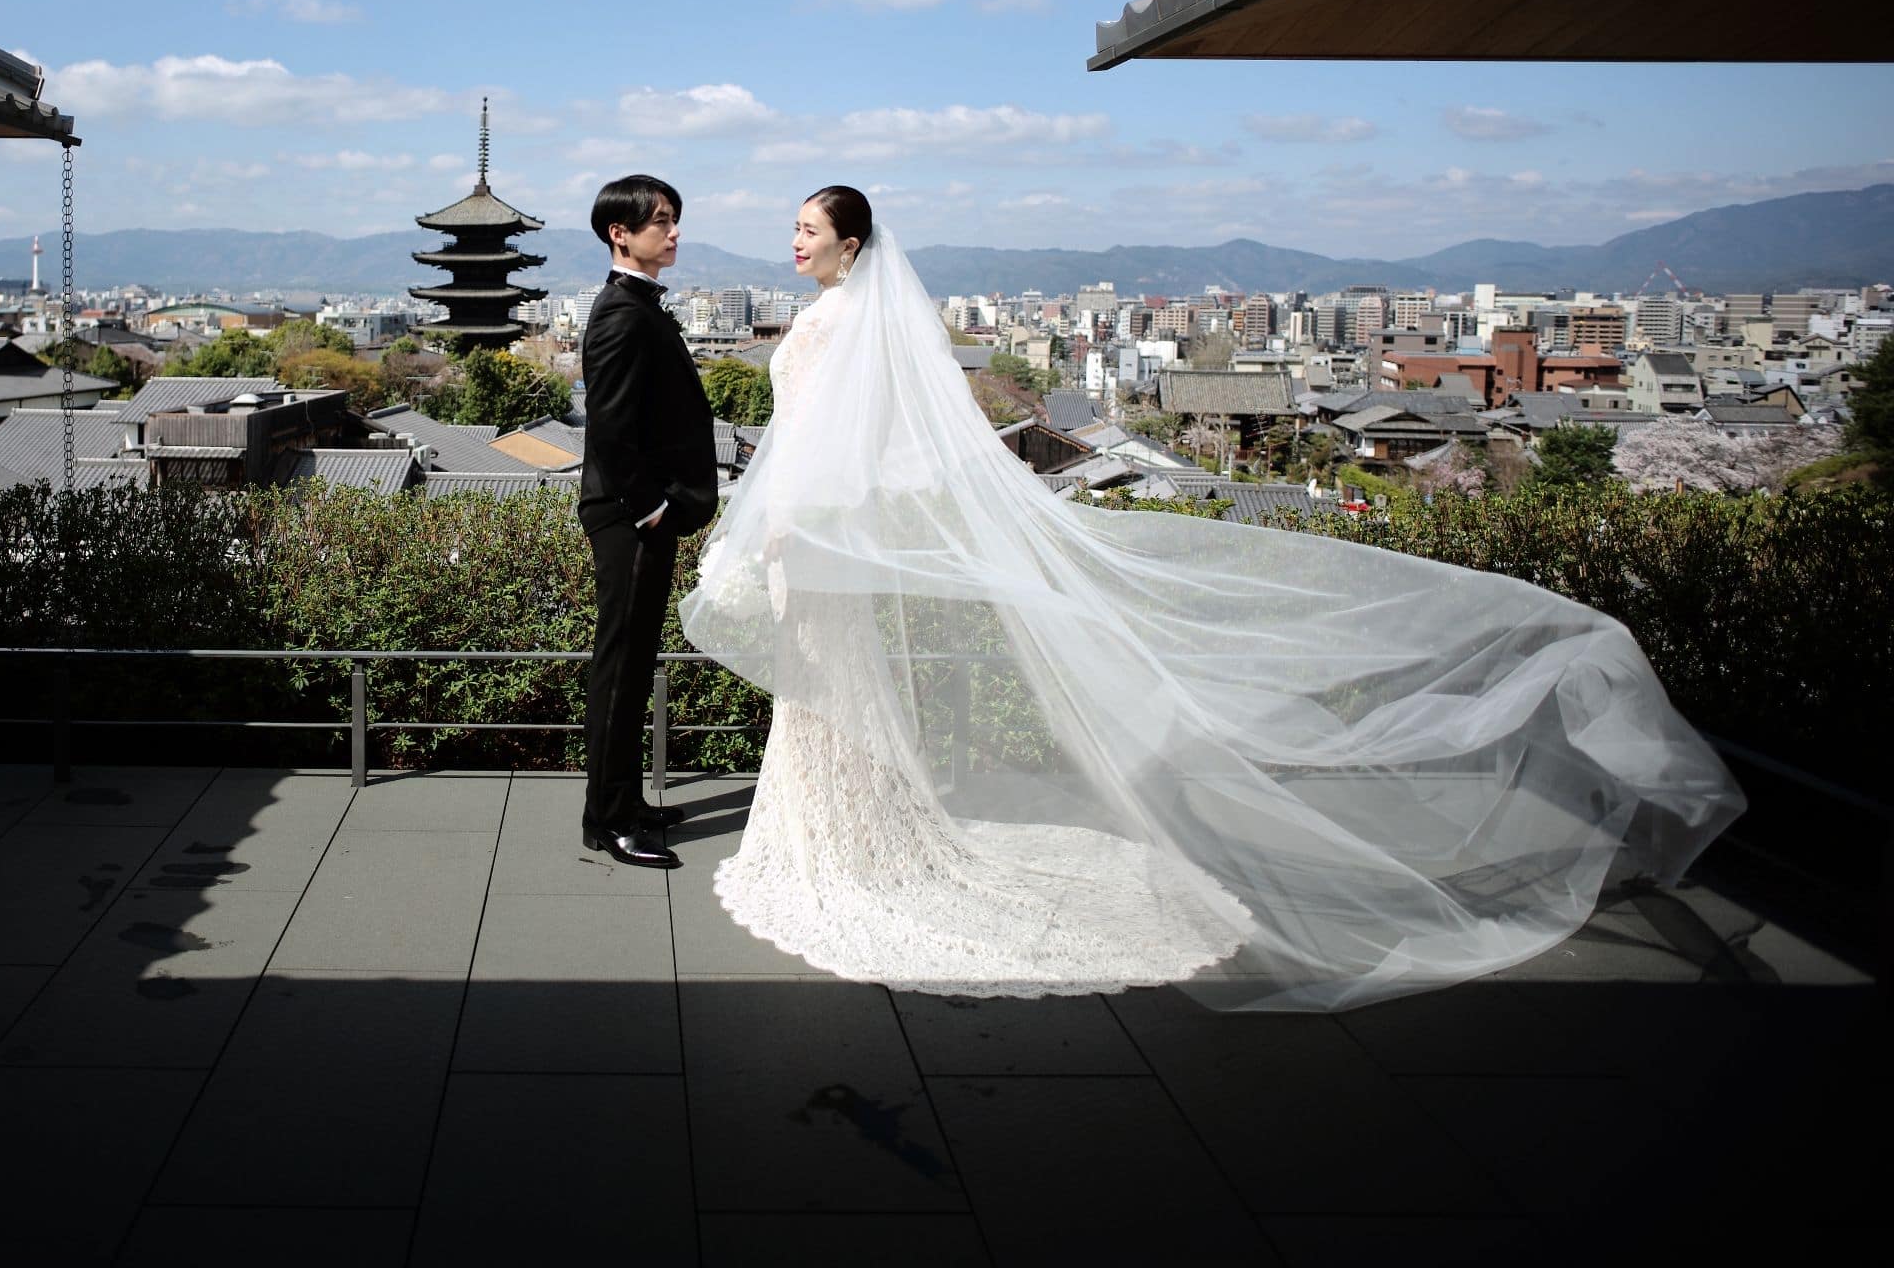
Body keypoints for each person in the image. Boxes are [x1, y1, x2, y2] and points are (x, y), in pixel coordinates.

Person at [677, 185, 1744, 1010]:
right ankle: (861, 835)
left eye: (808, 228)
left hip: (807, 538)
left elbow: (810, 448)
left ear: (851, 244)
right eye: (794, 228)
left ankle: (838, 844)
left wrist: (771, 532)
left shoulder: (820, 330)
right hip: (845, 539)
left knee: (823, 697)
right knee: (841, 693)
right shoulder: (874, 329)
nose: (794, 241)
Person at [575, 175, 718, 870]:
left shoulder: (638, 306)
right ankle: (607, 820)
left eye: (674, 219)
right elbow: (609, 429)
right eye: (662, 220)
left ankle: (624, 803)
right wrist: (652, 508)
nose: (674, 231)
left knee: (632, 668)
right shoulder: (620, 314)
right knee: (620, 669)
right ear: (620, 233)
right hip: (630, 518)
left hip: (638, 515)